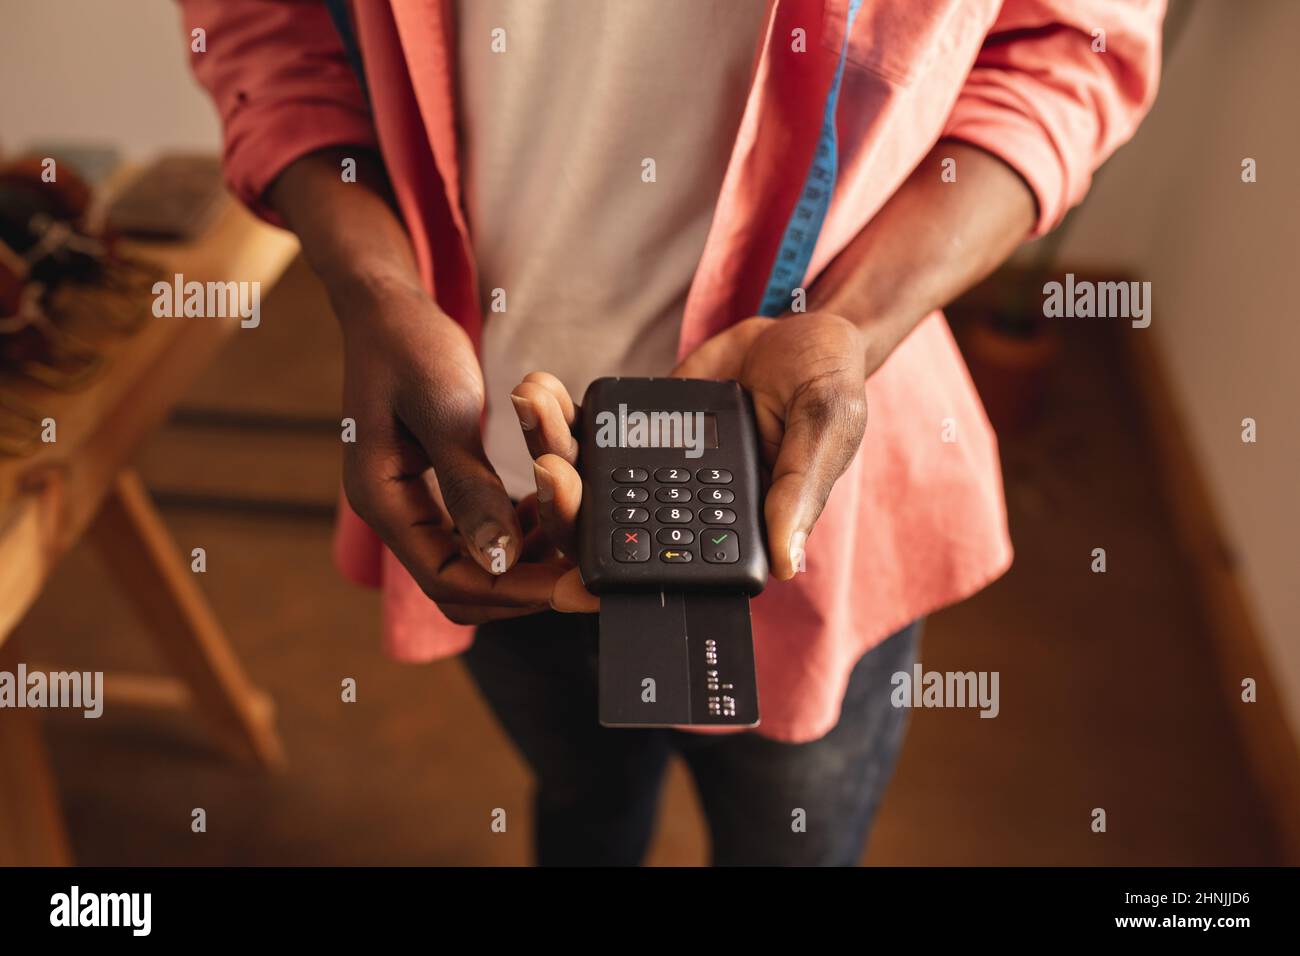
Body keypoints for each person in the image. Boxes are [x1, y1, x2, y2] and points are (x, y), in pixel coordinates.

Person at [180, 0, 1163, 865]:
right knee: (579, 799)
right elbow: (267, 26)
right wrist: (371, 280)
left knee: (793, 837)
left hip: (821, 499)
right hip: (486, 474)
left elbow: (1070, 47)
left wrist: (853, 325)